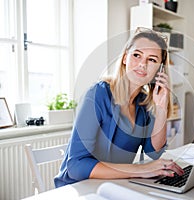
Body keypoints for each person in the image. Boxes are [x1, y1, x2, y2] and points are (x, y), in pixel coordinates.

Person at [54, 27, 184, 187]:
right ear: (124, 58)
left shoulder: (142, 104)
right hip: (78, 188)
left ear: (159, 69)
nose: (142, 64)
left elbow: (154, 152)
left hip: (115, 186)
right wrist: (139, 170)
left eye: (152, 60)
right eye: (137, 55)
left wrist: (162, 108)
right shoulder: (97, 95)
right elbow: (76, 166)